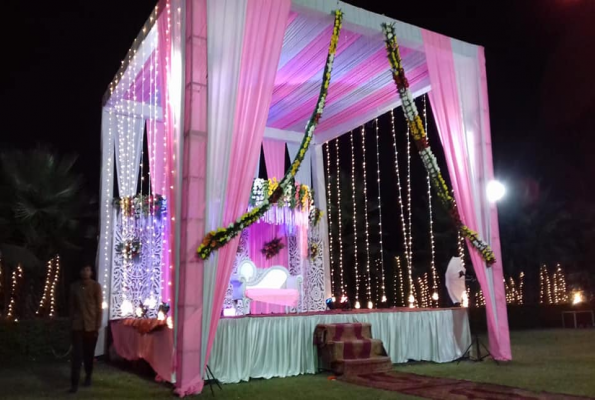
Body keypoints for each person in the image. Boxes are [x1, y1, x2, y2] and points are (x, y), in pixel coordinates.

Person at [69, 264, 102, 393]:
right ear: (80, 271)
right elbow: (71, 307)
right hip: (78, 325)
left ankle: (88, 376)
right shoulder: (74, 287)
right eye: (83, 269)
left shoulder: (95, 286)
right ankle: (74, 384)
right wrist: (71, 323)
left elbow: (99, 308)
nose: (85, 272)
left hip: (91, 326)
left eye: (88, 269)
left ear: (91, 272)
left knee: (89, 355)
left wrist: (97, 326)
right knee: (77, 356)